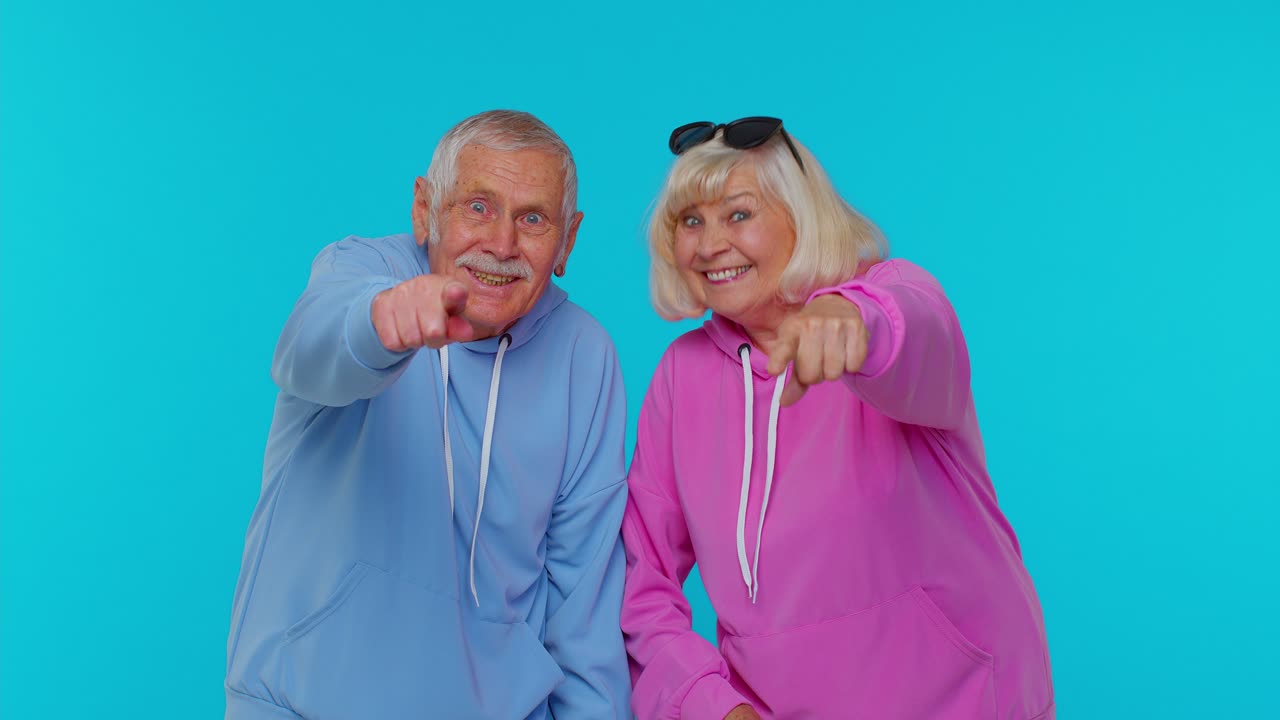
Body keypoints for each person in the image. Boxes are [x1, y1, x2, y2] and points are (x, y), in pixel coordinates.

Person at [621, 117, 1054, 719]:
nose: (709, 244)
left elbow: (914, 326)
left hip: (959, 699)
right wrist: (709, 703)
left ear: (801, 217)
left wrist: (853, 321)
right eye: (691, 221)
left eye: (739, 214)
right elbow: (643, 585)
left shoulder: (890, 295)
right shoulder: (682, 375)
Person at [224, 110, 631, 719]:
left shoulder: (585, 355)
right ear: (424, 208)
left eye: (533, 218)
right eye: (477, 207)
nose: (502, 244)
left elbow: (585, 601)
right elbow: (306, 349)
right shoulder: (362, 273)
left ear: (568, 240)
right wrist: (380, 325)